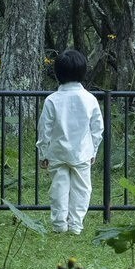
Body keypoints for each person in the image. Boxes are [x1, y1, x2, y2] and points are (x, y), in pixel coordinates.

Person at [36, 49, 104, 234]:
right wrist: (93, 151)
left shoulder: (52, 100)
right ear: (83, 72)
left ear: (57, 73)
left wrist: (43, 153)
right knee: (82, 189)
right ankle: (76, 225)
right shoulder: (90, 99)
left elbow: (44, 129)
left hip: (57, 152)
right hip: (82, 151)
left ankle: (59, 224)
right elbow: (97, 129)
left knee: (58, 188)